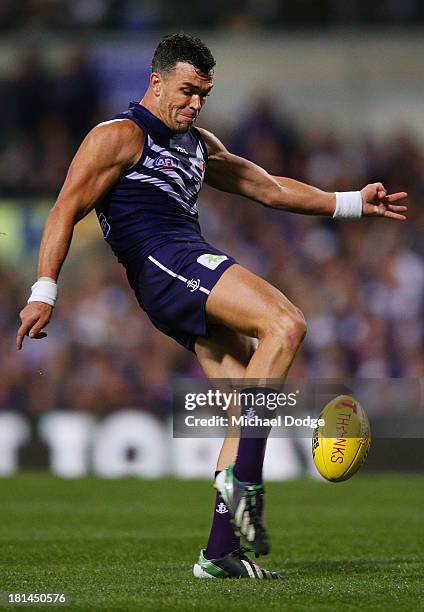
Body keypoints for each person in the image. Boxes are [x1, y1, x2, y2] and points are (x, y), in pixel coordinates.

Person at [16, 34, 407, 580]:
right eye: (187, 91)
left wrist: (349, 203)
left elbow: (265, 187)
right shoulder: (120, 135)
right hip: (163, 259)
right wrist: (44, 290)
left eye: (204, 93)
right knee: (286, 322)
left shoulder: (198, 142)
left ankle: (220, 552)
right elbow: (64, 208)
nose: (196, 103)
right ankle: (245, 479)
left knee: (244, 400)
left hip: (185, 263)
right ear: (156, 83)